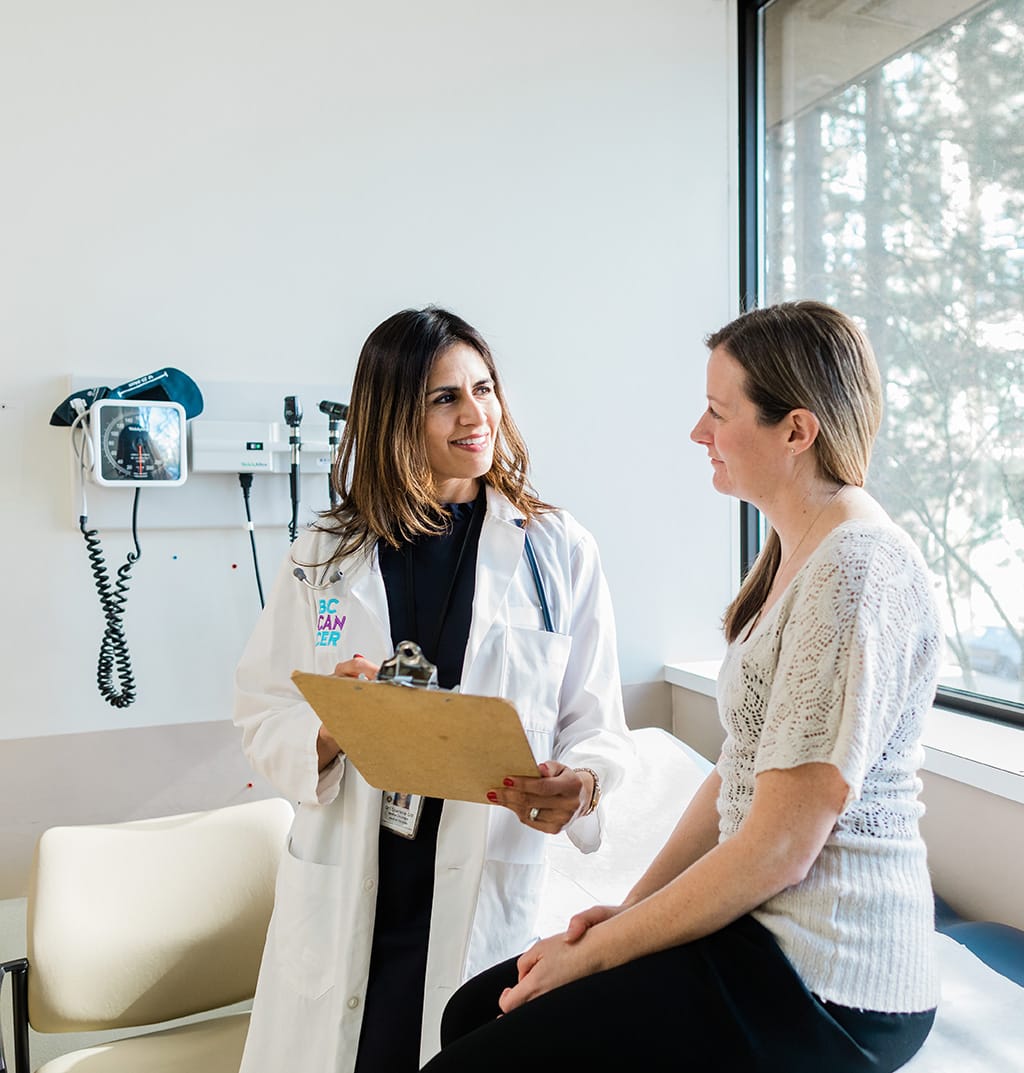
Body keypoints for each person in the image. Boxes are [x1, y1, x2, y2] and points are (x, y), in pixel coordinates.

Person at [422, 300, 942, 1073]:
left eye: (718, 411)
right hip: (767, 937)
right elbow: (740, 774)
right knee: (472, 1010)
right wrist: (625, 913)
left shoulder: (853, 570)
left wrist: (597, 956)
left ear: (797, 431)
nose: (699, 432)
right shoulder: (796, 553)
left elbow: (777, 851)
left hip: (830, 977)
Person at [233, 306, 633, 1073]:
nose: (476, 414)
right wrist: (329, 726)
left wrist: (581, 782)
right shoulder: (325, 555)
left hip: (481, 888)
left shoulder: (557, 551)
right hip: (356, 884)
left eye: (484, 388)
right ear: (391, 415)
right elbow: (262, 704)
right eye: (444, 397)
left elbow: (598, 724)